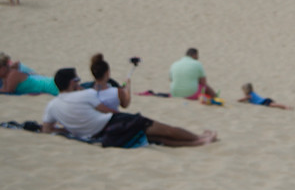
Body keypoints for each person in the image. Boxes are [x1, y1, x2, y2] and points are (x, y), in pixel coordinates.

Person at [42, 68, 217, 147]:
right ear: (72, 83)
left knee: (156, 139)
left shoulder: (52, 105)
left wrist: (71, 129)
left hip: (97, 136)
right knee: (162, 129)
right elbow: (109, 111)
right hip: (112, 124)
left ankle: (197, 143)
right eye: (78, 80)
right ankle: (198, 138)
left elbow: (47, 129)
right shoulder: (85, 94)